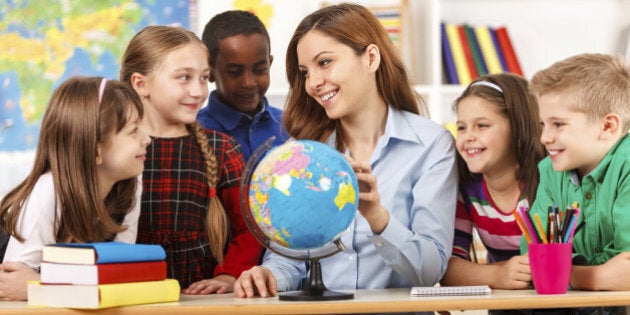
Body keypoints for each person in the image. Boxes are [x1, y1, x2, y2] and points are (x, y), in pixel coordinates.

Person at [234, 3, 458, 299]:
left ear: (371, 58)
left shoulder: (431, 145)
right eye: (305, 72)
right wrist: (268, 275)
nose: (313, 83)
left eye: (324, 63)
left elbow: (431, 271)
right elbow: (290, 259)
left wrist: (378, 217)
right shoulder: (299, 155)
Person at [120, 25, 261, 294]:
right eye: (184, 77)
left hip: (202, 304)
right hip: (128, 300)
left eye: (204, 78)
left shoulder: (222, 149)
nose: (198, 91)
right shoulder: (114, 148)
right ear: (141, 84)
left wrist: (230, 277)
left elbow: (248, 230)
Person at [0, 76, 150, 300]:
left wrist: (39, 286)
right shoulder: (50, 192)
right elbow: (10, 286)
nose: (147, 139)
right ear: (95, 149)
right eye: (133, 131)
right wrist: (40, 288)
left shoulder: (130, 186)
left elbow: (118, 276)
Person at [520, 53, 630, 293]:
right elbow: (532, 257)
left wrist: (565, 273)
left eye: (558, 124)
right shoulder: (550, 169)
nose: (544, 138)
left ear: (608, 126)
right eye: (542, 124)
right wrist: (595, 276)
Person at [440, 73, 545, 290]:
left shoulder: (548, 181)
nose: (468, 136)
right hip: (505, 305)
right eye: (461, 127)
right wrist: (498, 274)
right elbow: (448, 268)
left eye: (482, 125)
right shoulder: (467, 188)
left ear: (518, 127)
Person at [197, 10, 288, 163]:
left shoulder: (291, 126)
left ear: (269, 64)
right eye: (234, 72)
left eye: (259, 70)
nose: (249, 83)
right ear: (210, 72)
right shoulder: (194, 132)